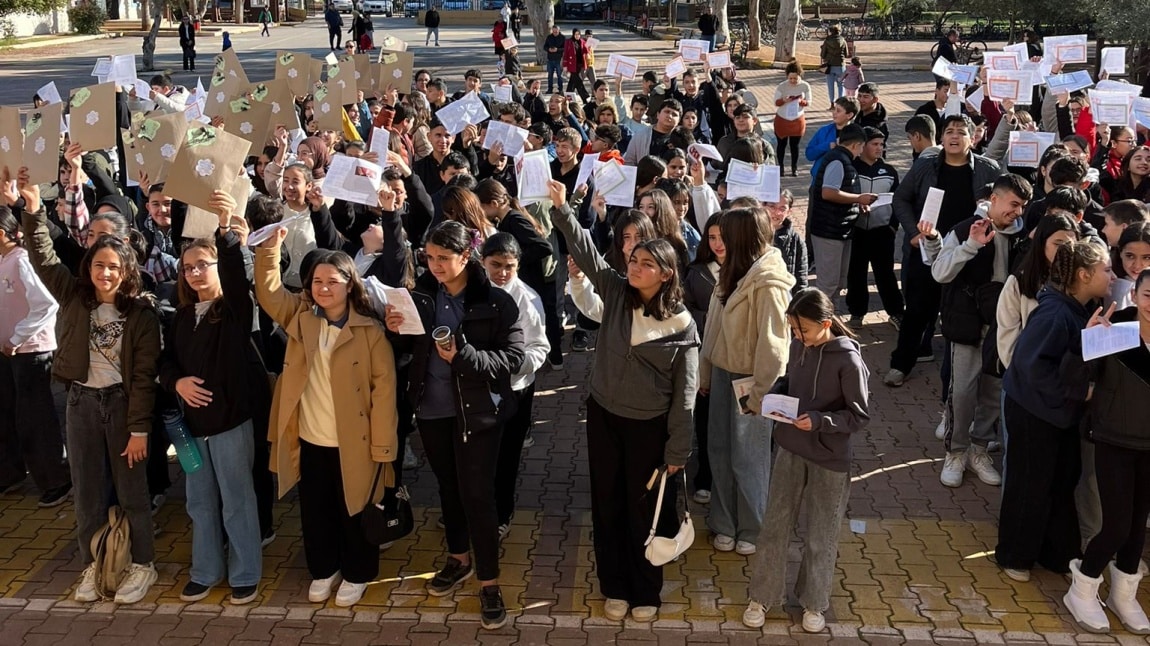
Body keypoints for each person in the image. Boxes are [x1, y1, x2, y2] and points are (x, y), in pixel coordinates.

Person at [548, 179, 698, 623]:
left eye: (646, 263)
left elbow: (685, 396)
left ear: (666, 274)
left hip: (648, 429)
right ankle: (613, 585)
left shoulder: (682, 325)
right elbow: (588, 254)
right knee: (607, 503)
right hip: (603, 416)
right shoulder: (614, 292)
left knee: (644, 511)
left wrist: (677, 451)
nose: (634, 267)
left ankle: (646, 591)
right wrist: (562, 208)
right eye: (632, 259)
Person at [14, 169, 161, 605]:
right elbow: (42, 256)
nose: (105, 273)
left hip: (121, 408)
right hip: (80, 404)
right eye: (99, 265)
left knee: (133, 492)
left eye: (114, 267)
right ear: (89, 267)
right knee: (88, 494)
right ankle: (94, 565)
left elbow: (143, 378)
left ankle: (143, 564)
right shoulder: (74, 296)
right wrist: (34, 210)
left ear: (126, 269)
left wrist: (139, 429)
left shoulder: (141, 314)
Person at [384, 220, 524, 630]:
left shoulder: (496, 302)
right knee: (449, 488)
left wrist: (462, 357)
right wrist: (395, 330)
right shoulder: (423, 296)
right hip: (431, 411)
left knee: (477, 496)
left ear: (467, 256)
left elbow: (511, 361)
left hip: (478, 414)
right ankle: (459, 559)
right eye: (430, 257)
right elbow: (409, 349)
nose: (436, 265)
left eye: (444, 258)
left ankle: (489, 581)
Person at [254, 227, 398, 608]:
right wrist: (269, 251)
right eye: (317, 281)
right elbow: (268, 294)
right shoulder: (302, 317)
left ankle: (358, 573)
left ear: (350, 285)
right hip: (311, 436)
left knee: (356, 510)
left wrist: (384, 448)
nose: (323, 288)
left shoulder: (371, 332)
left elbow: (384, 395)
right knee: (316, 509)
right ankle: (324, 568)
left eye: (332, 281)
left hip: (357, 443)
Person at [160, 192, 267, 606]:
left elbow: (239, 282)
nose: (193, 273)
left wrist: (225, 234)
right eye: (187, 268)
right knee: (199, 502)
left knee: (237, 501)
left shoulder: (235, 310)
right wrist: (178, 383)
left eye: (201, 266)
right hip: (191, 430)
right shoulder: (182, 316)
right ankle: (204, 571)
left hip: (229, 425)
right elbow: (167, 362)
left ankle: (245, 573)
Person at [742, 288, 870, 634]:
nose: (798, 337)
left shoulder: (849, 360)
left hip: (829, 458)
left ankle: (815, 603)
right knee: (774, 526)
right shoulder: (800, 345)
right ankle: (762, 596)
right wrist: (776, 393)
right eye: (794, 331)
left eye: (804, 331)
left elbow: (858, 417)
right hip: (789, 447)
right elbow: (791, 379)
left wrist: (820, 421)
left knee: (821, 534)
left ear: (826, 324)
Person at [996, 240, 1114, 582]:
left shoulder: (1078, 307)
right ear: (1083, 274)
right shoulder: (1054, 313)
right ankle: (1014, 556)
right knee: (1030, 484)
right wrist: (1082, 389)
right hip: (1034, 414)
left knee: (1061, 481)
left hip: (1058, 414)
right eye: (1106, 269)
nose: (1112, 275)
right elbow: (1032, 367)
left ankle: (1058, 554)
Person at [922, 174, 1033, 489]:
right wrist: (971, 245)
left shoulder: (1022, 237)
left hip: (1004, 330)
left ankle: (979, 450)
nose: (1017, 212)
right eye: (1013, 204)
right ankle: (955, 453)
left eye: (1022, 206)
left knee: (992, 393)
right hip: (968, 326)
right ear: (994, 199)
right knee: (962, 393)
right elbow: (941, 272)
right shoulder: (966, 229)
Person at [700, 207, 795, 555]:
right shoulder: (730, 272)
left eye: (726, 235)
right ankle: (724, 522)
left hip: (752, 380)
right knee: (720, 450)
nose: (718, 241)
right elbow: (712, 326)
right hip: (723, 375)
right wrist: (707, 372)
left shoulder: (769, 282)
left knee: (749, 457)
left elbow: (775, 347)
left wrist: (760, 393)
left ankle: (753, 528)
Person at [886, 114, 1001, 388]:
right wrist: (913, 233)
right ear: (941, 138)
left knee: (966, 312)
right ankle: (901, 364)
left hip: (969, 252)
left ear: (972, 139)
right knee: (916, 310)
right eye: (949, 131)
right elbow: (900, 198)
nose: (954, 136)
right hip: (929, 250)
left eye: (961, 132)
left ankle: (962, 377)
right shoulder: (926, 166)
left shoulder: (989, 169)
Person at [1065, 268, 1150, 634]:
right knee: (1114, 526)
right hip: (1114, 439)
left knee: (1136, 531)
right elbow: (1075, 381)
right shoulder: (1115, 328)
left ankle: (1124, 594)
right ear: (1135, 293)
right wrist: (1088, 342)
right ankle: (1082, 588)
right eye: (1149, 295)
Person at [478, 234, 549, 539]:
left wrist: (510, 366)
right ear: (483, 261)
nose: (502, 273)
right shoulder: (471, 290)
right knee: (478, 457)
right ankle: (476, 508)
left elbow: (539, 347)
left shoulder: (528, 298)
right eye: (495, 265)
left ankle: (501, 513)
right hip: (476, 387)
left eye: (509, 266)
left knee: (506, 455)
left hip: (515, 389)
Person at [0, 207, 70, 507]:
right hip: (8, 352)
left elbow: (47, 304)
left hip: (32, 351)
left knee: (35, 418)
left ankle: (56, 479)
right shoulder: (3, 261)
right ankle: (10, 473)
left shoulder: (23, 260)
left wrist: (17, 337)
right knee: (8, 414)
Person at [996, 213, 1080, 371]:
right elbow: (1008, 337)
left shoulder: (1080, 282)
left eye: (1070, 245)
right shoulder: (1019, 281)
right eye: (1058, 243)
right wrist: (1026, 374)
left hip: (1065, 379)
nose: (1065, 251)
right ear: (1042, 244)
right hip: (1024, 377)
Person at [807, 124, 876, 305]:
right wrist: (859, 198)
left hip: (839, 229)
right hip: (829, 231)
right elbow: (828, 192)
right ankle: (819, 323)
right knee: (827, 286)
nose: (862, 151)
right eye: (862, 147)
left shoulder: (841, 159)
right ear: (856, 145)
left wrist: (856, 202)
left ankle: (831, 321)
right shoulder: (838, 161)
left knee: (837, 283)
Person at [683, 213, 724, 505]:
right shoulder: (696, 271)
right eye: (711, 237)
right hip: (703, 355)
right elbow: (684, 308)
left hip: (736, 360)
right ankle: (705, 477)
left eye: (724, 237)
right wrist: (708, 318)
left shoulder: (748, 271)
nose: (718, 244)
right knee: (706, 420)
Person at [846, 126, 902, 326]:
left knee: (885, 273)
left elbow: (899, 202)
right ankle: (856, 312)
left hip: (882, 232)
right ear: (863, 146)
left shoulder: (889, 171)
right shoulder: (851, 168)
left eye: (882, 144)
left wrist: (892, 226)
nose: (879, 148)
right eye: (875, 144)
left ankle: (896, 312)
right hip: (857, 231)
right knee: (856, 273)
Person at [773, 60, 812, 178]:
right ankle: (780, 168)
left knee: (795, 146)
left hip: (797, 119)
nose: (793, 81)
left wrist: (801, 101)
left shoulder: (805, 86)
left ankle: (794, 168)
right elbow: (776, 102)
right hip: (782, 119)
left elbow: (809, 102)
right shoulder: (782, 86)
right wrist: (784, 100)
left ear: (800, 76)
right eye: (790, 78)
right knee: (781, 145)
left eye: (795, 78)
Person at [818, 24, 848, 103]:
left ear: (830, 32)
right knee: (841, 85)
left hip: (829, 65)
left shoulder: (827, 41)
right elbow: (846, 54)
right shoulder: (843, 40)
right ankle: (841, 102)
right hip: (840, 65)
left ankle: (832, 103)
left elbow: (822, 54)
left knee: (830, 86)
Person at [562, 28, 590, 102]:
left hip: (580, 64)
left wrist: (587, 53)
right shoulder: (568, 42)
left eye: (578, 34)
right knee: (578, 81)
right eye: (576, 34)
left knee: (573, 82)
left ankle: (568, 97)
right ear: (573, 34)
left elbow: (585, 49)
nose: (577, 36)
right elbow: (565, 54)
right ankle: (585, 97)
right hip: (572, 65)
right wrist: (565, 65)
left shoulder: (582, 41)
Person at [544, 25, 566, 94]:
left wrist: (557, 50)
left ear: (559, 30)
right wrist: (549, 49)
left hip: (558, 59)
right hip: (550, 59)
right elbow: (545, 46)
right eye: (553, 31)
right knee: (550, 75)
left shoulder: (563, 38)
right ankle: (550, 89)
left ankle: (560, 89)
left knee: (559, 75)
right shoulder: (549, 37)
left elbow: (565, 48)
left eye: (556, 31)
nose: (555, 33)